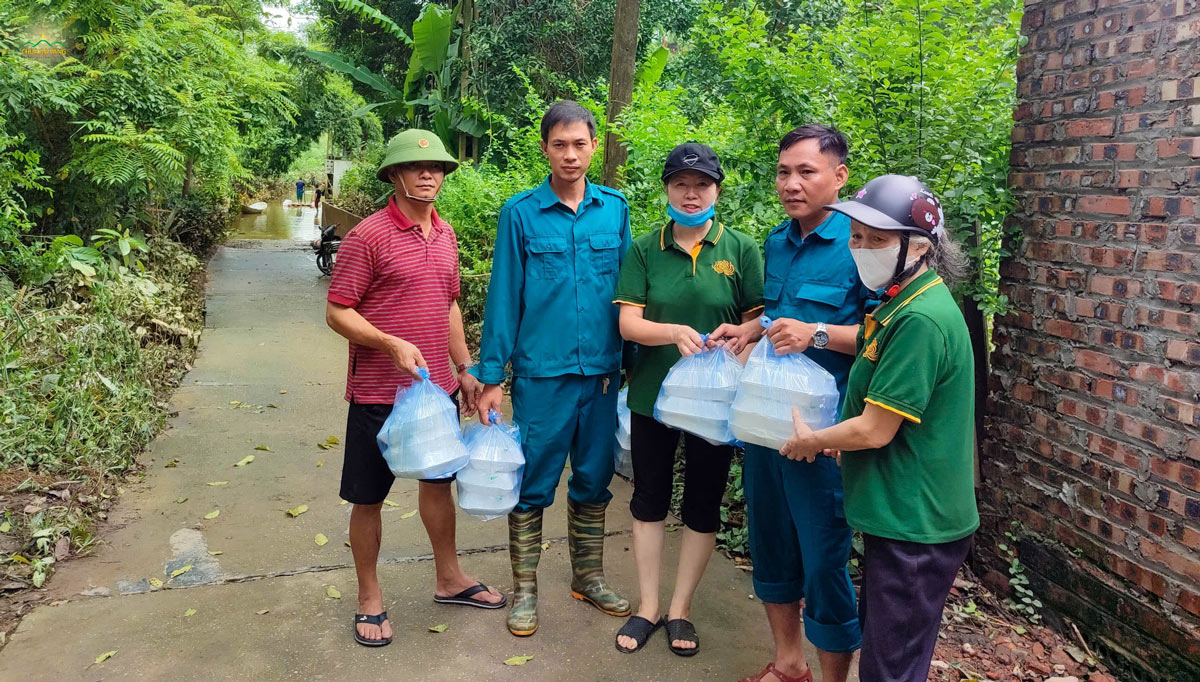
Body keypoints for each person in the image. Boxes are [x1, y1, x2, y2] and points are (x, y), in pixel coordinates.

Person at [781, 174, 978, 682]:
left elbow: (874, 429)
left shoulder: (921, 320)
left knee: (889, 671)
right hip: (900, 517)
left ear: (918, 247)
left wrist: (814, 440)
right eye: (857, 237)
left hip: (918, 526)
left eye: (879, 239)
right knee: (889, 657)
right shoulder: (900, 303)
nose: (861, 248)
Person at [325, 129, 505, 648]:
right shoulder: (368, 236)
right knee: (368, 497)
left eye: (438, 169)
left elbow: (449, 305)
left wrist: (465, 368)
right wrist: (388, 343)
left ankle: (449, 579)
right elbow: (337, 311)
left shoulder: (446, 234)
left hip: (436, 392)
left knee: (437, 485)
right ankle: (368, 597)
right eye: (416, 168)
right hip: (379, 394)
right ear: (394, 175)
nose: (429, 175)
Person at [712, 125, 870, 682]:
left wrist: (819, 335)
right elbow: (781, 315)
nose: (792, 183)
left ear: (839, 176)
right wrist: (751, 328)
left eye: (806, 171)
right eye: (784, 172)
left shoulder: (863, 244)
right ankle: (788, 664)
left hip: (824, 437)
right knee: (772, 547)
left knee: (826, 560)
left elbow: (888, 335)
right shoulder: (778, 242)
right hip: (765, 426)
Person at [472, 101, 632, 637]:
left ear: (594, 147)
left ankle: (588, 576)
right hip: (543, 375)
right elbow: (504, 299)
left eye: (579, 144)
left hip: (603, 373)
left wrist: (634, 363)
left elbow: (630, 295)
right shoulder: (520, 213)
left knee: (593, 477)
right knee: (533, 481)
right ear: (545, 148)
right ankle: (525, 590)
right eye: (559, 144)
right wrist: (491, 377)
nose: (570, 154)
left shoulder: (615, 209)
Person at [611, 143, 764, 656]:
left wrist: (737, 341)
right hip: (653, 396)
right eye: (681, 184)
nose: (691, 193)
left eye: (702, 185)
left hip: (714, 404)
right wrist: (673, 331)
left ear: (718, 190)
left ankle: (681, 610)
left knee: (702, 503)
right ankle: (648, 606)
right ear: (667, 190)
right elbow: (628, 322)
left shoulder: (740, 248)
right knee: (649, 497)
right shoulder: (644, 248)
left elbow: (756, 324)